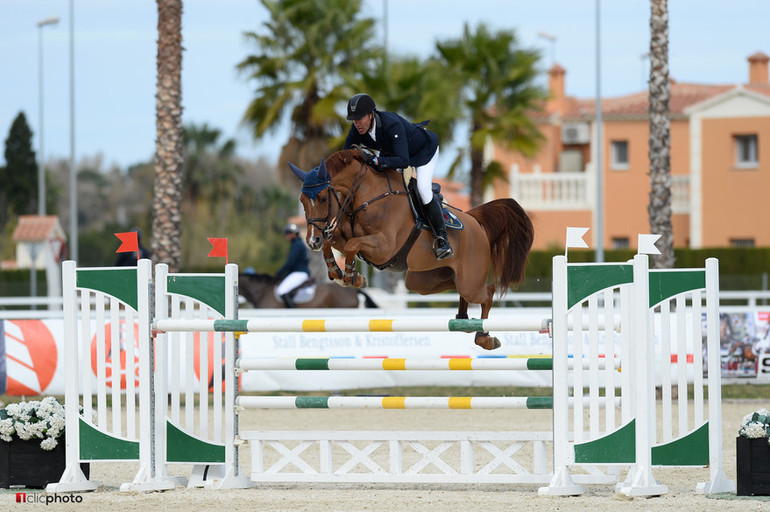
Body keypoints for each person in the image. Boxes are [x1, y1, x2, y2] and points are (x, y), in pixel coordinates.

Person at [342, 93, 453, 260]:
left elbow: (403, 161)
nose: (357, 123)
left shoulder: (390, 124)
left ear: (372, 115)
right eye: (354, 119)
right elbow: (345, 155)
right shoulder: (357, 129)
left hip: (423, 152)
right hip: (395, 153)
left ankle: (442, 239)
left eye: (360, 118)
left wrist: (376, 160)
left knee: (422, 189)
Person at [274, 223, 311, 308]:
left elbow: (290, 263)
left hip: (299, 272)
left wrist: (279, 273)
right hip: (300, 272)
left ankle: (292, 313)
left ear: (293, 234)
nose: (286, 237)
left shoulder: (296, 245)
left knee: (281, 291)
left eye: (287, 234)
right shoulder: (299, 244)